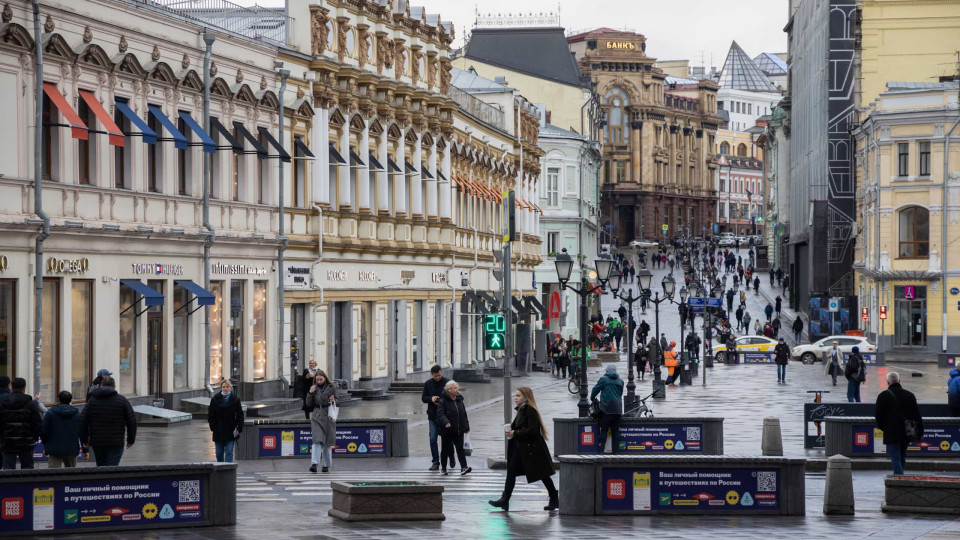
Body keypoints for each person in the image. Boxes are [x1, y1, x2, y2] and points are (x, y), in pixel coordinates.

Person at [489, 387, 559, 512]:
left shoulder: (530, 410)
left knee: (542, 474)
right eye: (515, 395)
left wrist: (515, 432)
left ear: (526, 397)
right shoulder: (522, 409)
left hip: (532, 449)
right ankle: (505, 500)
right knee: (511, 472)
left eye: (518, 395)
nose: (515, 398)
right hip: (522, 448)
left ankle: (554, 497)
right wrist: (512, 432)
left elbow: (532, 430)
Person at [79, 375, 136, 466]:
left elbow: (83, 421)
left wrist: (84, 440)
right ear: (114, 386)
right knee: (112, 469)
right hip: (116, 442)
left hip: (97, 441)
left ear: (101, 385)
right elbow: (131, 421)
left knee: (101, 466)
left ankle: (102, 480)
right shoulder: (122, 400)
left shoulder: (92, 401)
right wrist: (131, 439)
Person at [875, 372, 923, 475]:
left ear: (888, 382)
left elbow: (878, 416)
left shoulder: (883, 396)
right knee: (902, 455)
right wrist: (921, 431)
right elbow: (917, 415)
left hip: (891, 432)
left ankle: (899, 480)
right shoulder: (910, 395)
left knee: (895, 457)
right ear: (899, 381)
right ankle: (901, 476)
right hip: (906, 431)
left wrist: (884, 428)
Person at [0, 377, 42, 469]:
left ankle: (10, 484)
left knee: (8, 470)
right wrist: (33, 438)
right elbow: (37, 424)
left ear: (11, 387)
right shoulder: (30, 404)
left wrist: (2, 438)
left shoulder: (4, 403)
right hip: (26, 442)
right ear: (24, 388)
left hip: (8, 443)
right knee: (27, 469)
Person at [305, 369, 338, 473]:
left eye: (321, 379)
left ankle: (326, 465)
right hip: (317, 416)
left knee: (327, 443)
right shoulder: (313, 388)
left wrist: (333, 400)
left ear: (325, 378)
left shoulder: (332, 387)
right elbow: (308, 404)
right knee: (317, 440)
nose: (319, 381)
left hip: (328, 415)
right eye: (317, 380)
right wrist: (310, 393)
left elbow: (339, 401)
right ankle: (314, 463)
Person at [436, 380, 471, 476]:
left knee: (460, 449)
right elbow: (440, 414)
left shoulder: (459, 399)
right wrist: (446, 422)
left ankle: (464, 467)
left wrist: (466, 426)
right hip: (447, 431)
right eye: (455, 388)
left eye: (457, 388)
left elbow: (464, 414)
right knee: (445, 450)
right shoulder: (443, 401)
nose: (457, 390)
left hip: (458, 430)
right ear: (449, 390)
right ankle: (443, 468)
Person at [41, 390, 81, 468]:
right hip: (71, 448)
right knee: (72, 474)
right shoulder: (77, 414)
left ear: (58, 399)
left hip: (54, 449)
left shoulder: (50, 413)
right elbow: (82, 431)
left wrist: (46, 443)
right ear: (70, 400)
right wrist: (85, 449)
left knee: (53, 474)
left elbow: (44, 430)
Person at [208, 379, 244, 463]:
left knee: (229, 452)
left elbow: (240, 415)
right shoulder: (215, 399)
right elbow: (211, 415)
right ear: (221, 388)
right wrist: (213, 427)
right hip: (218, 430)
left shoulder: (235, 400)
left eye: (227, 387)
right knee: (219, 453)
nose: (225, 388)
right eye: (223, 387)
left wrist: (239, 429)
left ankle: (227, 469)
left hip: (230, 430)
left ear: (230, 387)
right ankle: (220, 468)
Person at [422, 365, 450, 471]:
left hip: (445, 416)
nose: (437, 378)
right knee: (433, 439)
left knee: (446, 440)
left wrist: (441, 401)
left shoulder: (447, 383)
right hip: (433, 416)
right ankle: (435, 461)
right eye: (435, 376)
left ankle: (447, 460)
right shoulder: (428, 383)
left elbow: (452, 396)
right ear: (432, 374)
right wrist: (431, 398)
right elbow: (423, 398)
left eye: (439, 375)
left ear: (441, 372)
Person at [591, 366, 624, 452]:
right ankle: (615, 453)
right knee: (615, 432)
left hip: (606, 409)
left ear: (607, 371)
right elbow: (620, 394)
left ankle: (601, 451)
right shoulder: (621, 381)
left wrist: (592, 398)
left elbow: (595, 390)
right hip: (617, 409)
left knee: (604, 431)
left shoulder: (603, 379)